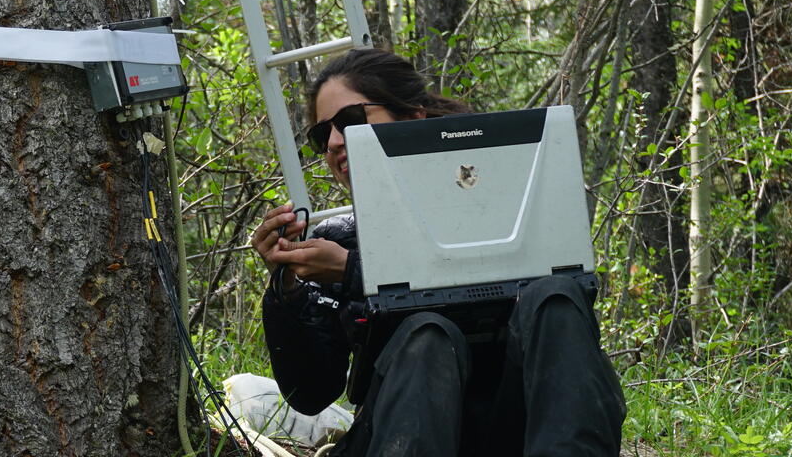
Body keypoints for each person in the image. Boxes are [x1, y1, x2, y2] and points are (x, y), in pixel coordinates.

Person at [248, 48, 624, 456]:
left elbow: (559, 333)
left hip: (514, 430)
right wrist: (288, 289)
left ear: (412, 119)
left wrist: (355, 271)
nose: (336, 142)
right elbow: (310, 394)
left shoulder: (512, 214)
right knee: (425, 334)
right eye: (324, 135)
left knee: (556, 295)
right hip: (398, 436)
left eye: (352, 121)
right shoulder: (337, 241)